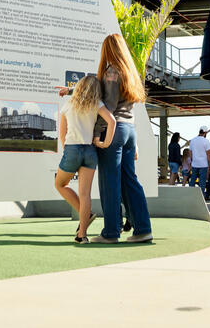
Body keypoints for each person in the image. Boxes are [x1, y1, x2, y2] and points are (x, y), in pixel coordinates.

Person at [60, 34, 153, 243]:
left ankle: (111, 233)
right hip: (129, 130)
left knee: (109, 182)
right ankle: (143, 229)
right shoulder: (129, 72)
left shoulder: (111, 71)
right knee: (130, 181)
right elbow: (99, 90)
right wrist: (72, 90)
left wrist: (96, 133)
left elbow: (108, 106)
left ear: (107, 50)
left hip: (113, 132)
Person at [54, 75, 115, 243]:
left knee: (60, 184)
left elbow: (62, 134)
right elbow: (112, 121)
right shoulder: (97, 104)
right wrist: (105, 143)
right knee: (85, 194)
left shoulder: (69, 104)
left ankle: (86, 215)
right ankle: (82, 235)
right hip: (90, 150)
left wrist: (68, 151)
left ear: (79, 87)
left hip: (72, 149)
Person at [188, 125, 210, 198]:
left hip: (194, 164)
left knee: (192, 180)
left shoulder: (192, 140)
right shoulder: (206, 141)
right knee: (202, 181)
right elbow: (208, 154)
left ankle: (190, 195)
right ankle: (201, 197)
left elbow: (190, 153)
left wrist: (190, 163)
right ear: (205, 133)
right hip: (203, 164)